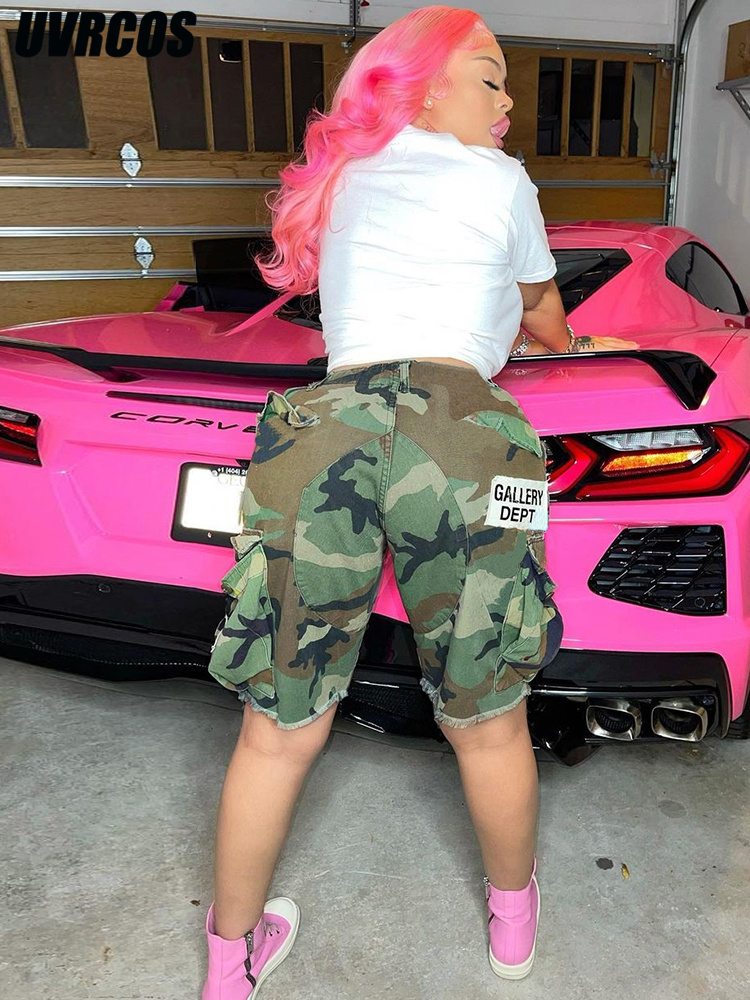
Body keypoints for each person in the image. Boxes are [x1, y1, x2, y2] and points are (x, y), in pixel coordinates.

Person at [200, 7, 639, 997]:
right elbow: (540, 314)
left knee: (278, 724)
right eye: (489, 75)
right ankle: (513, 932)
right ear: (426, 85)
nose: (509, 99)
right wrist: (569, 344)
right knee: (489, 715)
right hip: (468, 441)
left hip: (322, 433)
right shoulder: (502, 180)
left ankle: (229, 964)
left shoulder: (341, 180)